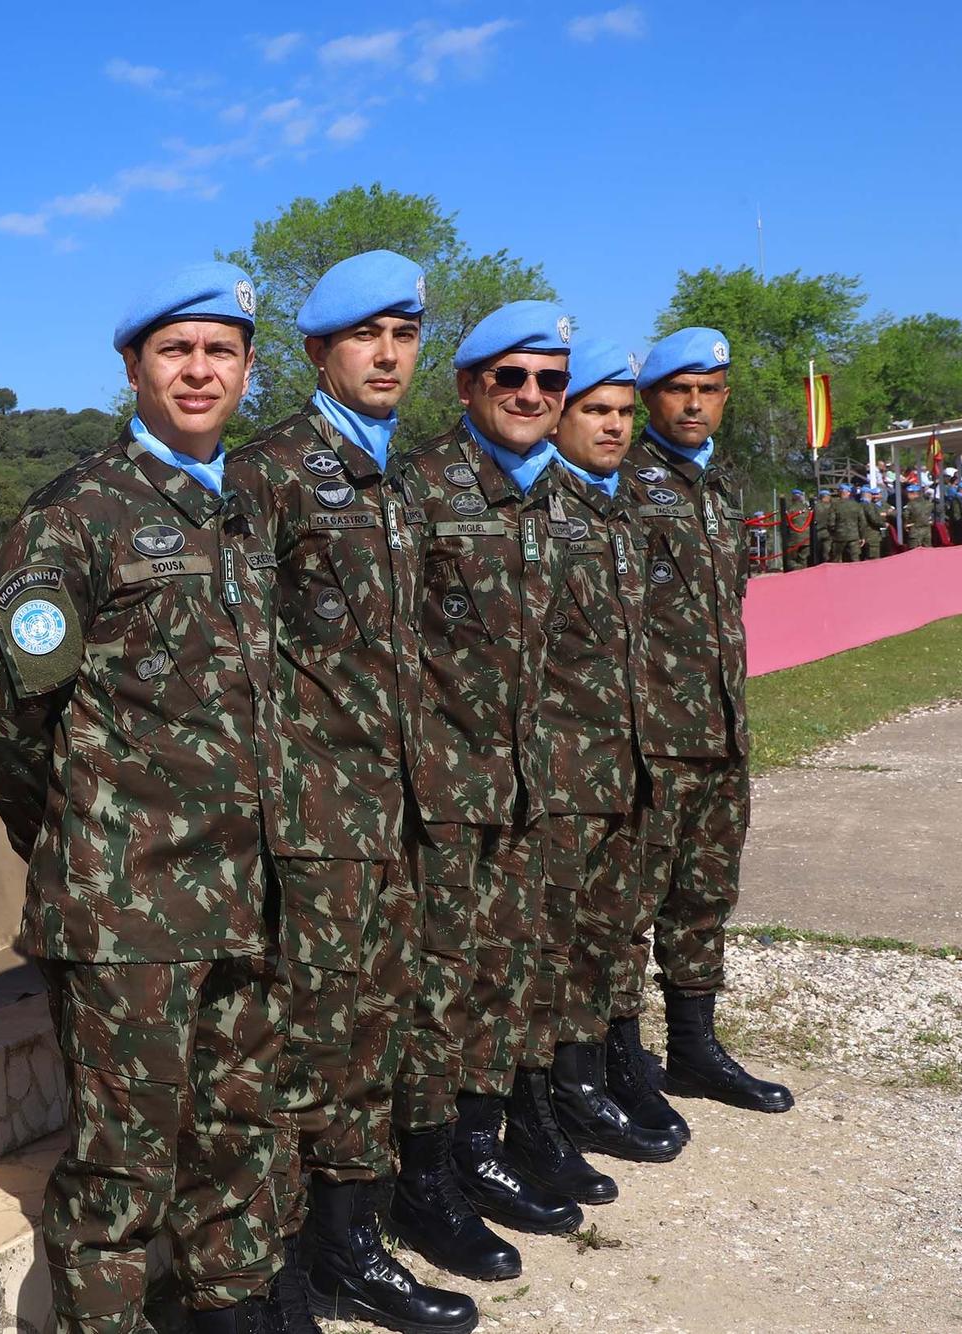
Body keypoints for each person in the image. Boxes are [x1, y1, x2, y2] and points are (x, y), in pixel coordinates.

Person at [0, 262, 298, 1333]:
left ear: (248, 367)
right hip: (128, 905)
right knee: (122, 1162)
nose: (198, 370)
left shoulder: (248, 503)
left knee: (241, 1124)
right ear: (131, 366)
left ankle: (229, 1305)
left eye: (220, 350)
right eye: (175, 349)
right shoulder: (74, 514)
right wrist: (84, 842)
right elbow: (9, 727)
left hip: (249, 888)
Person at [236, 251, 481, 1334]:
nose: (387, 354)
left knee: (376, 1032)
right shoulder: (270, 472)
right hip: (310, 818)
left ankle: (351, 1240)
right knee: (308, 1042)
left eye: (402, 334)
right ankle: (289, 1261)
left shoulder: (406, 479)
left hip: (400, 805)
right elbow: (237, 656)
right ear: (314, 353)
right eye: (362, 336)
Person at [390, 302, 583, 1284]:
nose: (530, 396)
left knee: (498, 978)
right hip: (436, 797)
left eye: (548, 381)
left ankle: (476, 1144)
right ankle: (421, 1178)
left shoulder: (549, 497)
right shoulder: (416, 490)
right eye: (509, 378)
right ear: (467, 387)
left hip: (520, 788)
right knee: (435, 991)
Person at [610, 328, 794, 1136]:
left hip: (721, 727)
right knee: (628, 905)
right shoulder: (619, 481)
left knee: (705, 895)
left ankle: (694, 1047)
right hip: (649, 735)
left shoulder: (720, 485)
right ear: (652, 396)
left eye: (710, 388)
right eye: (680, 389)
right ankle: (618, 1063)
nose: (694, 403)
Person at [519, 342, 684, 1191]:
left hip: (624, 758)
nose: (616, 425)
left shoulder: (619, 507)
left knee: (613, 931)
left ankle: (599, 1072)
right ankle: (549, 1097)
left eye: (624, 411)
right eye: (597, 410)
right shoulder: (539, 505)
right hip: (556, 770)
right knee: (549, 946)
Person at [782, 489, 813, 570]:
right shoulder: (807, 508)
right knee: (803, 559)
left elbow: (785, 523)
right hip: (806, 538)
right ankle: (803, 574)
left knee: (791, 559)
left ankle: (796, 571)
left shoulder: (789, 509)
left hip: (793, 539)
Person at [903, 483, 935, 549]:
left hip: (915, 531)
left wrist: (906, 525)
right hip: (927, 531)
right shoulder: (928, 503)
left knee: (914, 551)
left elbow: (905, 516)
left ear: (912, 494)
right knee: (927, 550)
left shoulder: (910, 505)